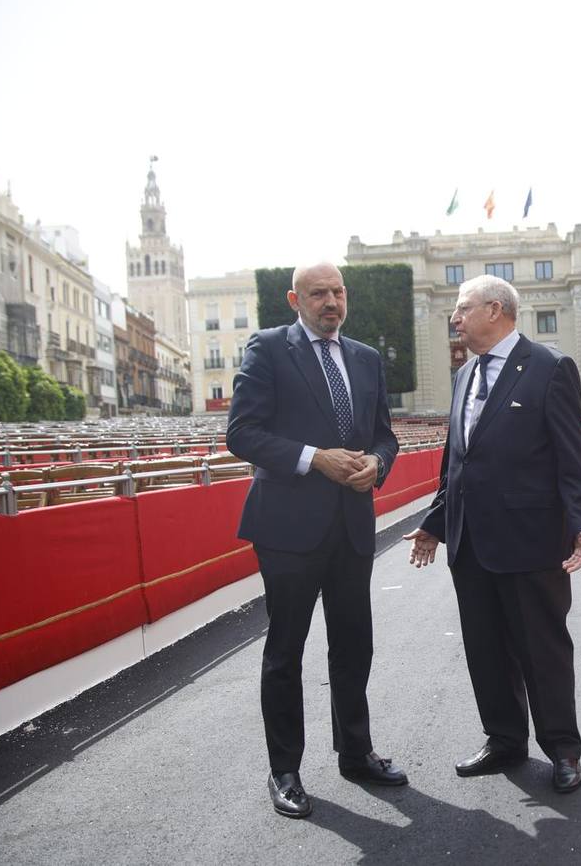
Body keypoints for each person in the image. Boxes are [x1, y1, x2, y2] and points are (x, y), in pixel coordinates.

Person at [403, 274, 581, 794]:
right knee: (485, 650)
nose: (454, 318)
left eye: (462, 309)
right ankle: (504, 740)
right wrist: (434, 524)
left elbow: (572, 458)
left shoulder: (550, 367)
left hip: (532, 542)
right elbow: (456, 464)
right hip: (471, 546)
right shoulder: (464, 374)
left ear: (495, 310)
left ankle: (562, 748)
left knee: (542, 650)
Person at [227, 261, 405, 820]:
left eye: (337, 292)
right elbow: (242, 433)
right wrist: (313, 459)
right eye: (318, 293)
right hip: (287, 529)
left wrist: (378, 463)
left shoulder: (366, 358)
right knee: (286, 652)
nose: (331, 301)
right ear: (294, 298)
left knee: (354, 644)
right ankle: (285, 772)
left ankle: (355, 751)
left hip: (352, 523)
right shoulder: (269, 349)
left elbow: (384, 434)